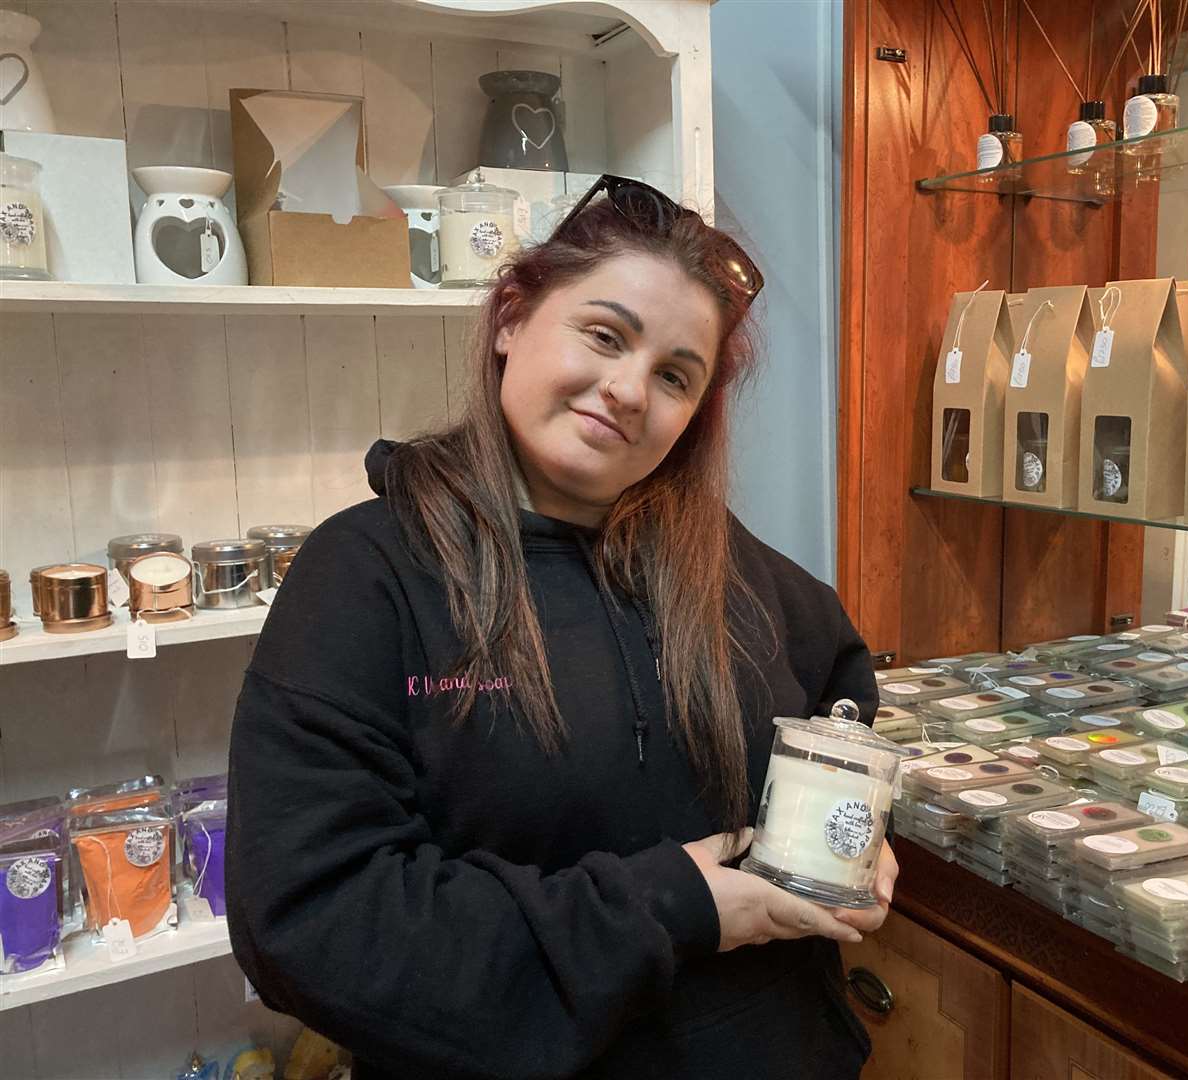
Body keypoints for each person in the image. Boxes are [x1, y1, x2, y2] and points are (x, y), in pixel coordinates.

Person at [225, 176, 894, 1080]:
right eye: (605, 335)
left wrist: (854, 827)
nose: (627, 390)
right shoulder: (368, 575)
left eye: (673, 376)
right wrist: (665, 908)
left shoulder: (723, 563)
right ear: (511, 318)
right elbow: (310, 924)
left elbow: (841, 689)